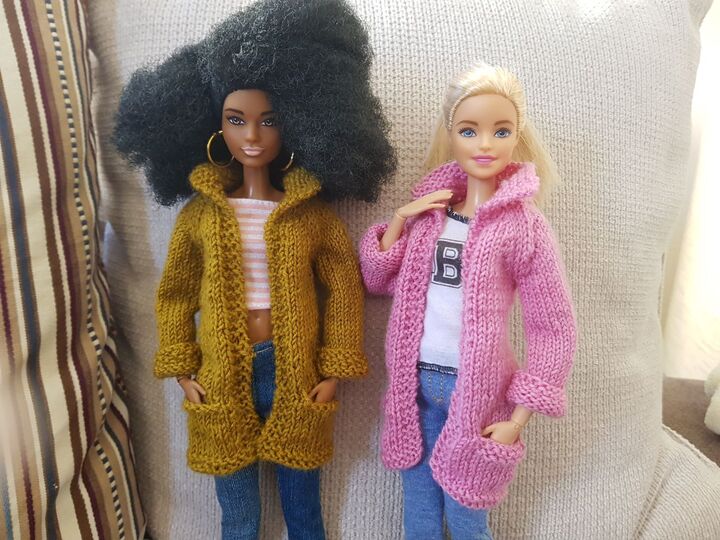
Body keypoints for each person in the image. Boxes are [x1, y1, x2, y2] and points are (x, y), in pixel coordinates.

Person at [113, 1, 396, 539]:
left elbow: (343, 288)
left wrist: (333, 368)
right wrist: (183, 369)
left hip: (297, 375)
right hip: (220, 377)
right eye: (236, 119)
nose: (252, 135)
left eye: (269, 121)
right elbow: (175, 295)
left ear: (299, 122)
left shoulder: (311, 214)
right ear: (214, 126)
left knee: (304, 511)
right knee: (238, 516)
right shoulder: (201, 215)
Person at [359, 64, 576, 539]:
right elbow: (377, 279)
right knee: (418, 513)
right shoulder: (430, 216)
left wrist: (518, 418)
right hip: (414, 388)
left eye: (501, 131)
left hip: (478, 396)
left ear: (517, 136)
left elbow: (553, 327)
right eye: (469, 130)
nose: (485, 145)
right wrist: (400, 219)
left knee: (467, 517)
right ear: (450, 134)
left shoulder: (523, 226)